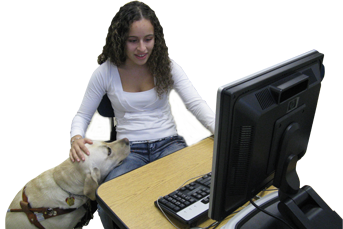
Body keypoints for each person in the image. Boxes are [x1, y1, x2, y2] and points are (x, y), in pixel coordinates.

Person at [69, 1, 215, 228]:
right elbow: (82, 115)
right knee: (109, 199)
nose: (142, 48)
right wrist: (76, 137)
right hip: (129, 150)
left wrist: (225, 132)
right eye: (133, 40)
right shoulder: (105, 72)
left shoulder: (166, 66)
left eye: (148, 39)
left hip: (168, 144)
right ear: (121, 39)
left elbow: (196, 104)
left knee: (199, 189)